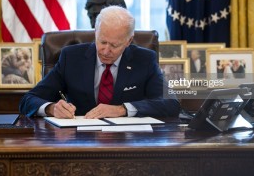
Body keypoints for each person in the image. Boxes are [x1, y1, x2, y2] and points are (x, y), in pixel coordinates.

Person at [19, 6, 180, 119]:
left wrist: (122, 109)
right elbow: (29, 100)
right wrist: (51, 108)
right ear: (95, 33)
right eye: (102, 42)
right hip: (79, 141)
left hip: (128, 142)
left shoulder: (144, 60)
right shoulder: (71, 57)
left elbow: (171, 103)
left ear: (129, 41)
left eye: (114, 45)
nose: (106, 50)